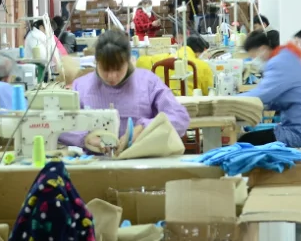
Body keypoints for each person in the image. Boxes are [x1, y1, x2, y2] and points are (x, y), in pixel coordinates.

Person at [59, 29, 190, 154]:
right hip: (95, 161)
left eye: (118, 69)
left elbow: (180, 118)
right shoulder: (81, 87)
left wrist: (146, 127)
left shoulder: (148, 83)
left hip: (142, 160)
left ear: (128, 61)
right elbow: (59, 125)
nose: (112, 76)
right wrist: (85, 138)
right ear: (96, 62)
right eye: (105, 69)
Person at [239, 30, 301, 148]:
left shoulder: (279, 62)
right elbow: (277, 99)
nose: (254, 61)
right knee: (248, 139)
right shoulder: (286, 57)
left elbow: (262, 94)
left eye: (254, 57)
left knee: (245, 142)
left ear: (263, 49)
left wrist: (229, 100)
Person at [138, 35, 214, 95]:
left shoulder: (164, 59)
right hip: (190, 106)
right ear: (199, 52)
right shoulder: (203, 66)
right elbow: (207, 93)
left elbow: (140, 62)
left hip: (164, 103)